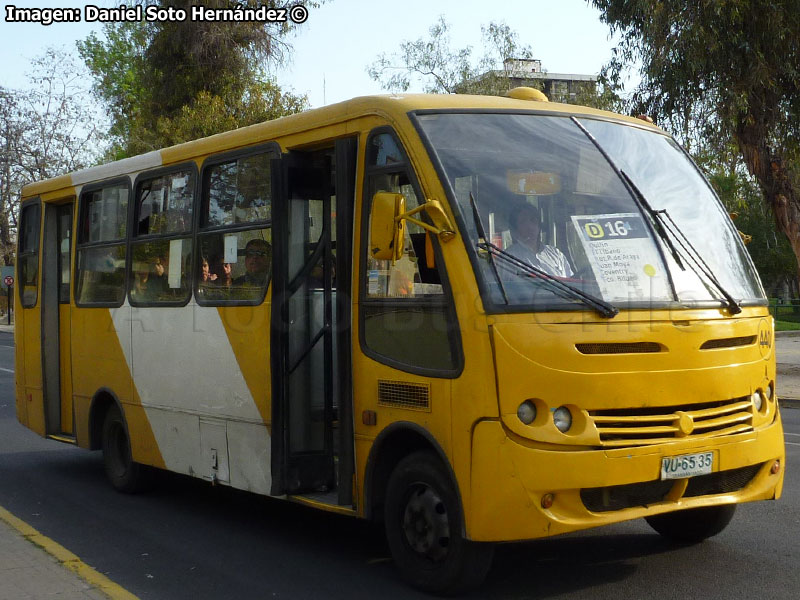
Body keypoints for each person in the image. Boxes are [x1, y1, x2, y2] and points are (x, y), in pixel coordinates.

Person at [505, 204, 573, 278]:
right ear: (515, 229)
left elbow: (571, 283)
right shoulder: (508, 257)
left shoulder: (556, 254)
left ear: (539, 225)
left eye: (533, 220)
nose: (530, 226)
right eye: (523, 222)